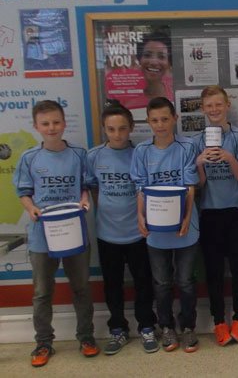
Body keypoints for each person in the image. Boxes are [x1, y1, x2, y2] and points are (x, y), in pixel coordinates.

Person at [13, 100, 99, 367]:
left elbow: (85, 186)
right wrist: (32, 209)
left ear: (64, 123)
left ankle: (86, 337)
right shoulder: (29, 158)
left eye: (56, 122)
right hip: (42, 237)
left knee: (81, 288)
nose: (51, 128)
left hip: (73, 232)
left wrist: (85, 201)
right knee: (41, 291)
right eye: (45, 123)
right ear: (37, 127)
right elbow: (23, 193)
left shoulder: (78, 155)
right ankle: (43, 343)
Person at [86, 104, 158, 354]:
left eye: (122, 129)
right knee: (113, 284)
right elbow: (93, 188)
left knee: (143, 282)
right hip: (107, 234)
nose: (117, 134)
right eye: (111, 129)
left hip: (139, 232)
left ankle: (147, 326)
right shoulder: (94, 156)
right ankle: (118, 329)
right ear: (104, 129)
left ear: (132, 128)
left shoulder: (140, 153)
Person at [130, 97, 200, 352]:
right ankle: (167, 327)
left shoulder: (187, 147)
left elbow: (190, 186)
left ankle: (189, 328)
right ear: (148, 122)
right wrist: (140, 216)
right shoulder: (141, 151)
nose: (160, 125)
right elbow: (140, 187)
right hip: (155, 229)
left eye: (165, 119)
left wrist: (187, 217)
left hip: (185, 227)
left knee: (185, 281)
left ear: (175, 119)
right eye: (154, 120)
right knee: (161, 282)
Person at [195, 85, 238, 346]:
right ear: (203, 109)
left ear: (227, 105)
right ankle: (219, 321)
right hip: (210, 213)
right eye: (209, 106)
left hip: (237, 213)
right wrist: (200, 164)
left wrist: (229, 158)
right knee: (214, 272)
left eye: (218, 104)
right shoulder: (198, 141)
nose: (214, 110)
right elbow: (199, 186)